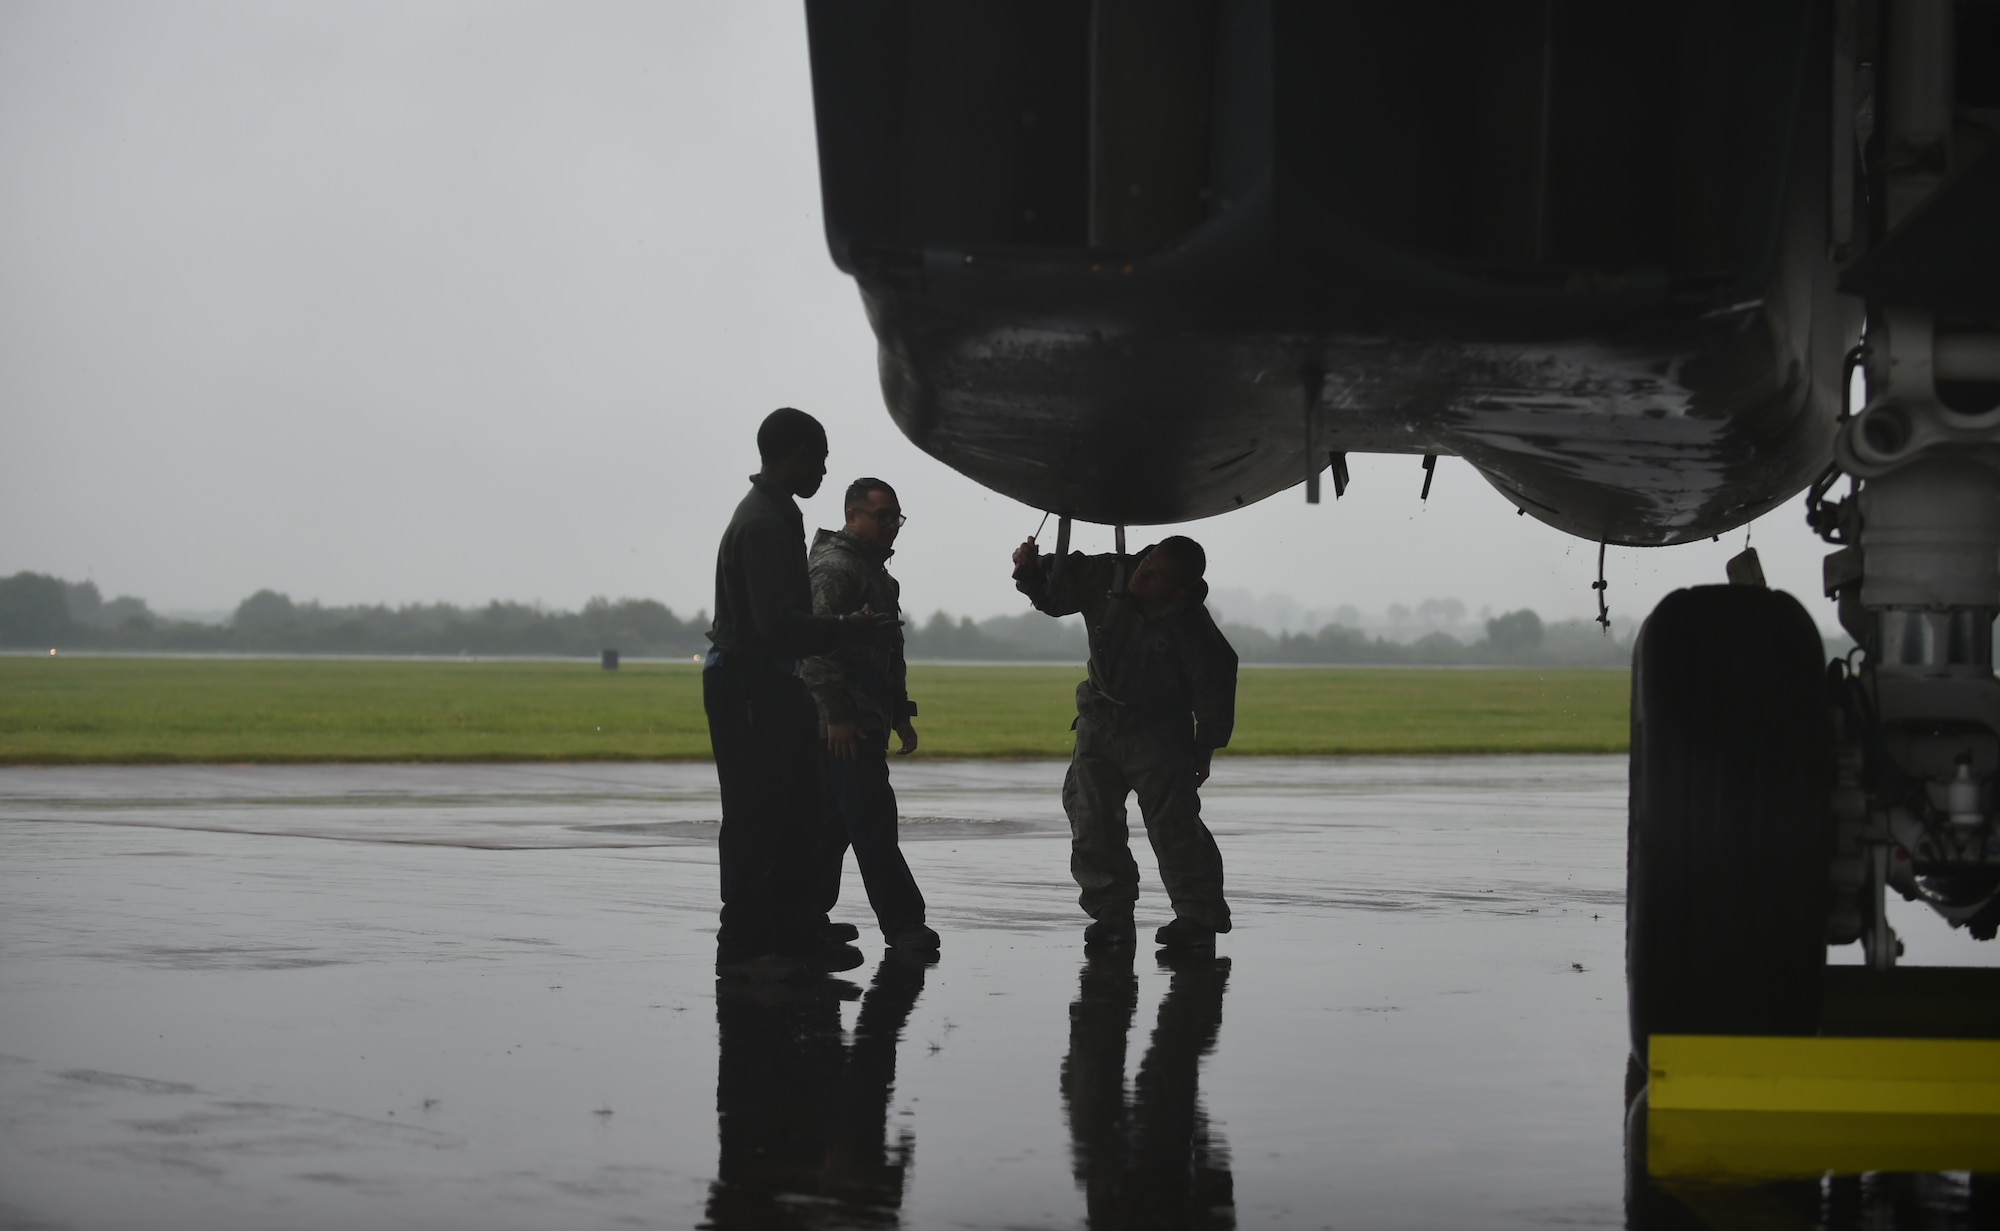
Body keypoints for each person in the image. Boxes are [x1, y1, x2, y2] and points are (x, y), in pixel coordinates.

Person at [705, 407, 894, 977]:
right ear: (793, 455)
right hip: (747, 682)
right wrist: (847, 628)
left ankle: (793, 932)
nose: (824, 468)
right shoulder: (763, 523)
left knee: (797, 813)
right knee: (755, 817)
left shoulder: (779, 512)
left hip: (772, 680)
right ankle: (745, 947)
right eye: (819, 456)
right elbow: (774, 625)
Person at [1012, 534, 1237, 948]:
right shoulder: (1106, 574)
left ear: (1179, 589)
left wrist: (1204, 746)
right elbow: (1055, 592)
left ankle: (1198, 916)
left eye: (1158, 576)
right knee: (1091, 818)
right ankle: (1111, 913)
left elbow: (1216, 683)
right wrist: (1028, 569)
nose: (1144, 575)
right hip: (1099, 722)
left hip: (1160, 733)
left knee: (1174, 826)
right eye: (1147, 562)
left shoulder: (1191, 624)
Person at [800, 478, 940, 953]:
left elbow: (887, 649)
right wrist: (837, 714)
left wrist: (900, 713)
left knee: (833, 824)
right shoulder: (836, 569)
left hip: (864, 717)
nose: (891, 527)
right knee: (872, 822)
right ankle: (904, 925)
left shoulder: (877, 575)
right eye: (881, 516)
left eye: (895, 517)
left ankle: (805, 919)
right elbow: (813, 646)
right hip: (842, 723)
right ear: (851, 515)